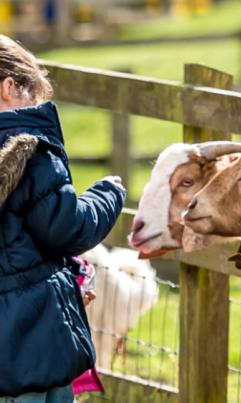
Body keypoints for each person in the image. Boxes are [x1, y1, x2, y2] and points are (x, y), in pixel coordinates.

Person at [0, 35, 125, 402]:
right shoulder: (29, 152)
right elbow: (68, 229)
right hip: (33, 345)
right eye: (33, 96)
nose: (35, 107)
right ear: (8, 87)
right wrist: (107, 194)